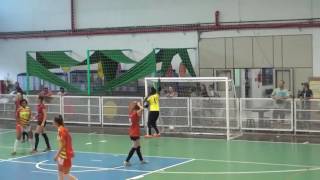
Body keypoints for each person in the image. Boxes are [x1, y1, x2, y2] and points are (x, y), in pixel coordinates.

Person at [53, 115, 76, 180]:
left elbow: (63, 144)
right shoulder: (61, 129)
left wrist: (56, 155)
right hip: (62, 155)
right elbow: (69, 140)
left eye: (53, 121)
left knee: (65, 174)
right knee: (60, 172)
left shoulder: (61, 130)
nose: (53, 123)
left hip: (65, 155)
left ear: (56, 122)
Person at [124, 101, 146, 166]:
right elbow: (142, 109)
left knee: (138, 146)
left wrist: (136, 104)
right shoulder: (136, 113)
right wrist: (139, 105)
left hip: (133, 131)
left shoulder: (131, 113)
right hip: (135, 132)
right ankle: (126, 161)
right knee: (134, 146)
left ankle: (141, 160)